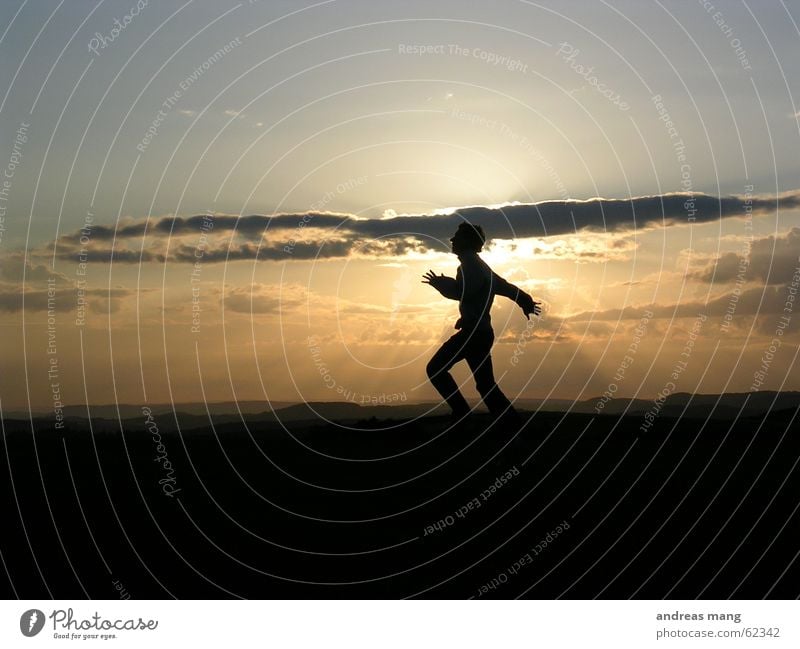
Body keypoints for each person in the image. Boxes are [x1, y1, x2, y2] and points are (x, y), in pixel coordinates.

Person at [422, 222, 541, 426]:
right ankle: (512, 424)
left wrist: (442, 284)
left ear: (468, 241)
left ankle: (463, 414)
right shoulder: (479, 265)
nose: (452, 240)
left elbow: (463, 292)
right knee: (485, 384)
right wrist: (525, 301)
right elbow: (503, 287)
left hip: (474, 334)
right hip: (481, 332)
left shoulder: (471, 265)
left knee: (435, 370)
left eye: (457, 236)